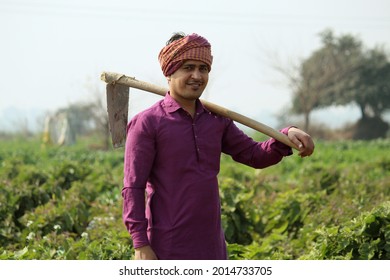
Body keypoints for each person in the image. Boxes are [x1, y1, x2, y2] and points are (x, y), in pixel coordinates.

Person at [122, 32, 315, 260]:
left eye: (203, 69)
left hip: (211, 246)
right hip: (166, 245)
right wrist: (140, 244)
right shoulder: (148, 123)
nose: (197, 75)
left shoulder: (216, 120)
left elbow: (254, 155)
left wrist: (285, 136)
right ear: (169, 72)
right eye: (188, 68)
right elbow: (133, 187)